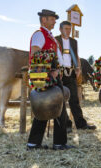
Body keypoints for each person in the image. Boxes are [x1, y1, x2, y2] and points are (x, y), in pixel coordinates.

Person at [27, 9, 74, 150]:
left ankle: (34, 143)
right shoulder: (39, 35)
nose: (54, 21)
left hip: (52, 76)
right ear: (44, 20)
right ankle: (58, 143)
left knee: (46, 107)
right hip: (46, 77)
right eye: (52, 19)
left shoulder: (49, 36)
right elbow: (35, 54)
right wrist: (50, 70)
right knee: (54, 108)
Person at [55, 21, 96, 132]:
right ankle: (66, 124)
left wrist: (78, 67)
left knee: (74, 99)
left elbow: (76, 55)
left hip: (71, 72)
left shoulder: (73, 41)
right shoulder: (55, 40)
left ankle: (81, 124)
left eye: (70, 29)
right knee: (61, 100)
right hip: (59, 73)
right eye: (66, 28)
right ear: (60, 29)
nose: (68, 31)